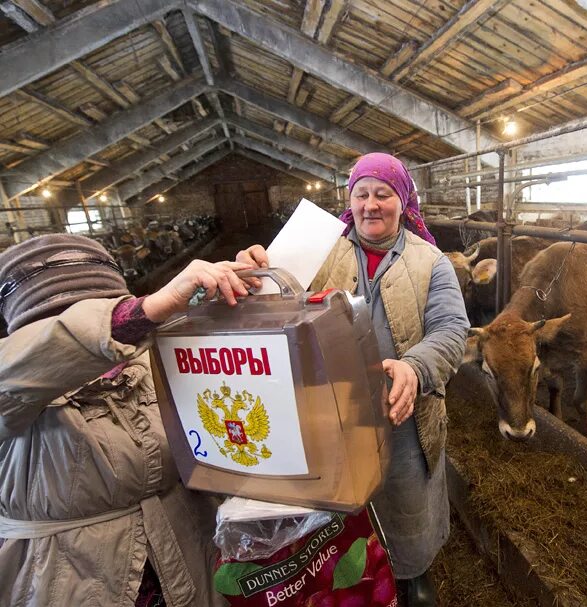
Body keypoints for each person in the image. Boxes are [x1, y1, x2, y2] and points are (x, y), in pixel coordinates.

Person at [237, 152, 469, 607]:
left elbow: (451, 329)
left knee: (407, 494)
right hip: (330, 408)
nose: (370, 204)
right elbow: (264, 302)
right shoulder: (316, 248)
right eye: (361, 194)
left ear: (403, 201)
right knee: (341, 497)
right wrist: (253, 272)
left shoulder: (430, 261)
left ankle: (412, 571)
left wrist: (415, 367)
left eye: (383, 194)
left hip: (402, 409)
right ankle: (348, 573)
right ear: (350, 200)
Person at [0, 233, 253, 607]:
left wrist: (241, 299)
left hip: (188, 564)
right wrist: (141, 314)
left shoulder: (149, 363)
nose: (107, 350)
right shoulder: (14, 388)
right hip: (70, 584)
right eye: (75, 323)